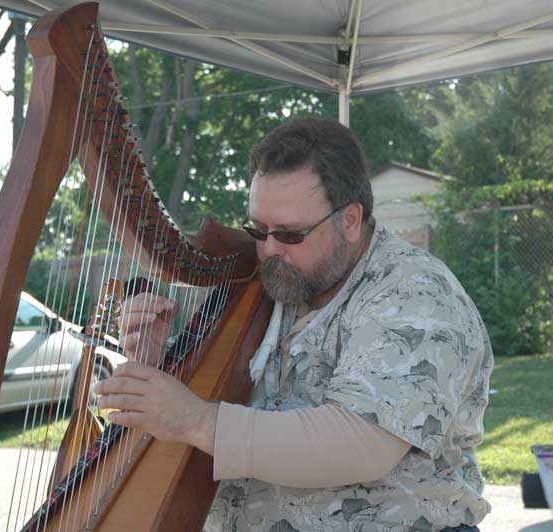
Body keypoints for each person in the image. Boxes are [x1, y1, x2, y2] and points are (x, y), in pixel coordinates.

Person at [95, 117, 494, 532]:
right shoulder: (279, 282)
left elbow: (360, 444)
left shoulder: (416, 294)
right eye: (258, 229)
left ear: (350, 220)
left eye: (289, 234)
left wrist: (196, 419)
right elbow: (224, 400)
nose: (267, 249)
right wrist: (158, 359)